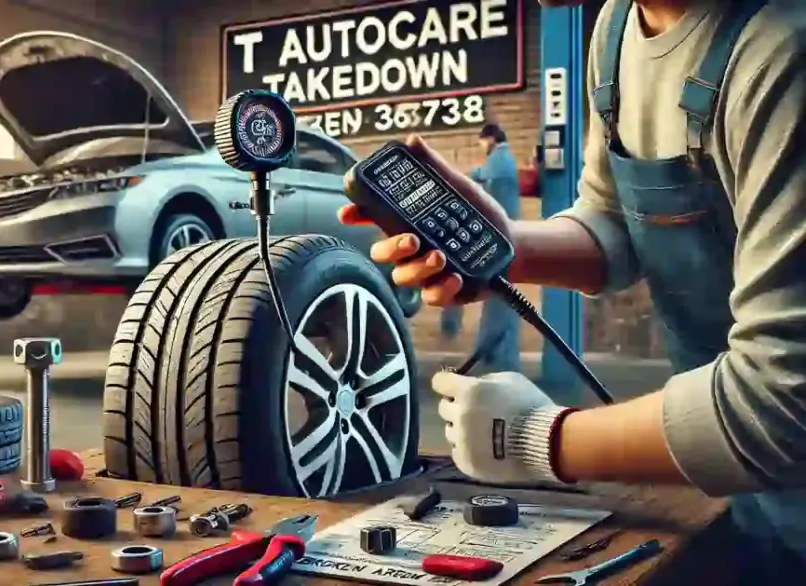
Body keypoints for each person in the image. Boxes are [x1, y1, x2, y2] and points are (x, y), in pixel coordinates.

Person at [339, 0, 806, 580]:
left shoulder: (783, 52)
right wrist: (509, 243)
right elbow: (615, 220)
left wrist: (539, 437)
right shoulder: (614, 28)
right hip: (733, 488)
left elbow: (784, 405)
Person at [439, 124, 522, 374]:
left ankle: (493, 356)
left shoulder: (500, 159)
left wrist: (463, 177)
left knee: (497, 301)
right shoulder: (502, 160)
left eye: (482, 142)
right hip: (503, 236)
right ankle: (493, 355)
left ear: (491, 139)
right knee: (499, 299)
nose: (481, 147)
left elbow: (483, 178)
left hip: (498, 237)